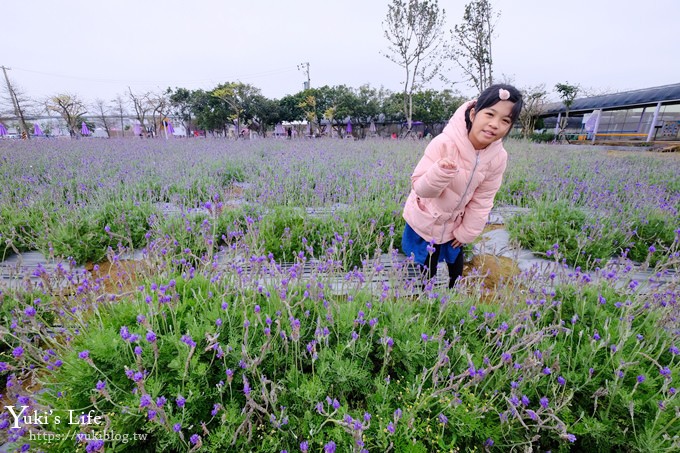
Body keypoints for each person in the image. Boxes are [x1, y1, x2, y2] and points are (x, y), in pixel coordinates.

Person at [401, 84, 523, 289]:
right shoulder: (444, 143)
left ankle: (453, 295)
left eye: (505, 120)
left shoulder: (498, 157)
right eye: (490, 114)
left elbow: (483, 199)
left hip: (454, 222)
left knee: (455, 261)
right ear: (474, 114)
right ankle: (424, 299)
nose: (495, 124)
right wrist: (440, 173)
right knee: (426, 264)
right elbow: (420, 187)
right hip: (426, 218)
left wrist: (467, 232)